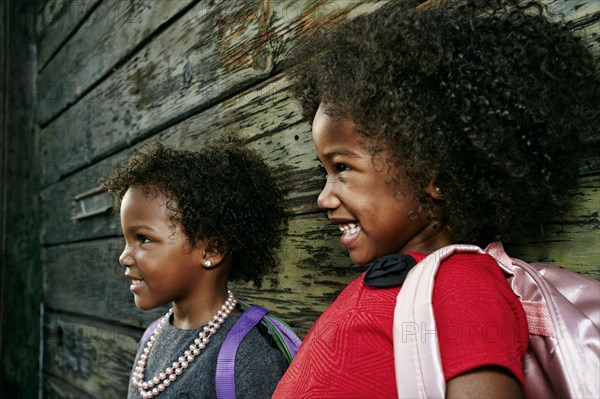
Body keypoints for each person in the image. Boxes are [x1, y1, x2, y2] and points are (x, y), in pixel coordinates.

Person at [273, 0, 599, 397]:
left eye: (342, 167)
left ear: (436, 179)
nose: (324, 198)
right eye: (323, 171)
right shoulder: (408, 283)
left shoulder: (459, 283)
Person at [99, 139, 290, 398]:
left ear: (211, 250)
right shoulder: (152, 339)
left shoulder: (249, 358)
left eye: (143, 239)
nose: (124, 257)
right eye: (126, 240)